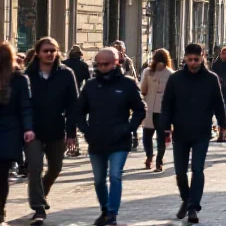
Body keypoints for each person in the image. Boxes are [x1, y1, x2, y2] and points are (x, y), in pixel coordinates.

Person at [77, 47, 146, 226]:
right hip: (97, 139)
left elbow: (140, 109)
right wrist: (86, 129)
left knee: (115, 175)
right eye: (98, 64)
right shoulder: (91, 86)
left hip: (120, 139)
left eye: (105, 64)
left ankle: (112, 214)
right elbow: (79, 111)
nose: (102, 67)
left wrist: (129, 128)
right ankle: (105, 209)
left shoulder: (127, 84)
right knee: (99, 179)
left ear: (116, 62)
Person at [161, 43, 226, 224]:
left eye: (196, 60)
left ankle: (193, 207)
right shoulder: (175, 79)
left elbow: (218, 103)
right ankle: (186, 198)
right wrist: (165, 127)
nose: (192, 63)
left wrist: (223, 125)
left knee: (197, 169)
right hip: (180, 132)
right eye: (189, 60)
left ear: (203, 57)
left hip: (202, 132)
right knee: (180, 172)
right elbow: (167, 104)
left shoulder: (211, 79)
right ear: (184, 59)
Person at [24, 37, 79, 226]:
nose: (49, 54)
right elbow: (23, 104)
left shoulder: (66, 74)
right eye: (46, 51)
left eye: (53, 51)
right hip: (33, 130)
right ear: (38, 53)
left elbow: (74, 105)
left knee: (55, 168)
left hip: (57, 129)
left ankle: (42, 194)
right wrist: (26, 127)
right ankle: (38, 209)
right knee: (35, 166)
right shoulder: (28, 75)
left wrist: (71, 133)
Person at [0, 42, 35, 226]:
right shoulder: (20, 78)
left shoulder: (19, 79)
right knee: (2, 176)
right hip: (11, 132)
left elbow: (25, 106)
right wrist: (28, 128)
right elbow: (26, 107)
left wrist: (28, 128)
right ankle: (0, 212)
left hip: (8, 132)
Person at [140, 48, 173, 172]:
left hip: (149, 108)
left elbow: (143, 89)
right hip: (163, 109)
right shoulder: (170, 74)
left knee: (147, 135)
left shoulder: (148, 72)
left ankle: (149, 157)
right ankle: (159, 161)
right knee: (161, 137)